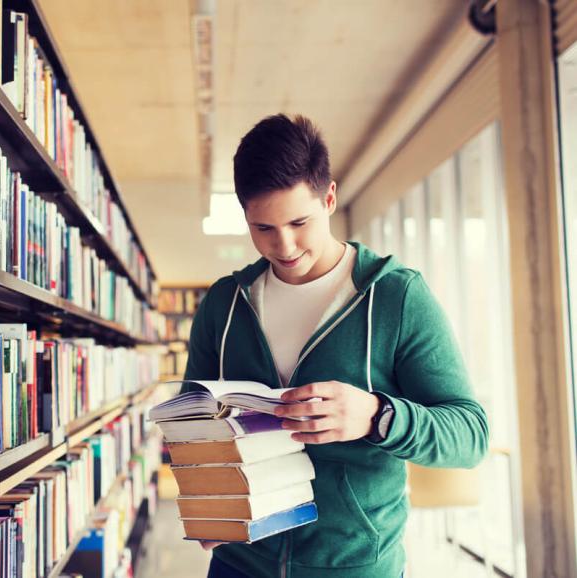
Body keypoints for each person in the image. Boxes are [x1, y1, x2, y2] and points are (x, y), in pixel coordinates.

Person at [182, 114, 489, 578]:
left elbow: (469, 435)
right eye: (263, 228)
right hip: (239, 563)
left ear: (329, 198)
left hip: (352, 566)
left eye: (299, 221)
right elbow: (192, 425)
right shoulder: (223, 303)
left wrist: (376, 415)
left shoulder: (396, 297)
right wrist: (206, 497)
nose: (283, 245)